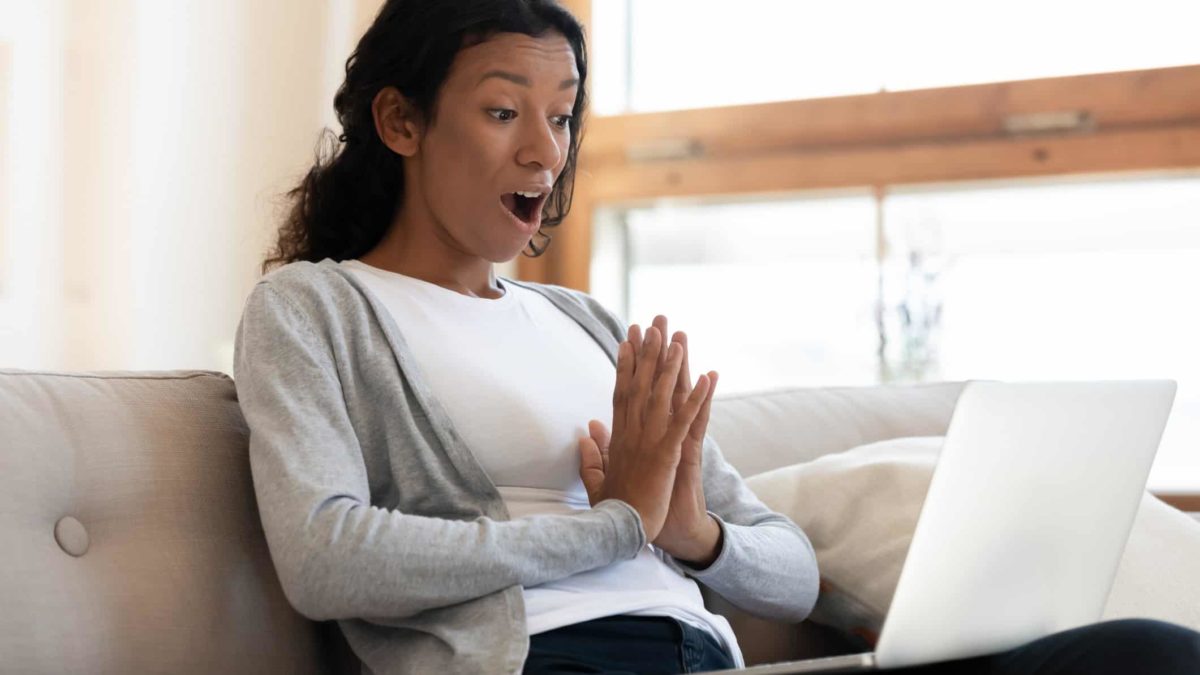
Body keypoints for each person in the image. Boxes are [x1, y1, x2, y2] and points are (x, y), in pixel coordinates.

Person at [232, 1, 1200, 674]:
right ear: (401, 121)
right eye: (502, 112)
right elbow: (327, 560)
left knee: (1150, 654)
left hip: (706, 658)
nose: (545, 151)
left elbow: (790, 571)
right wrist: (615, 528)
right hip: (550, 661)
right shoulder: (316, 311)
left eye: (562, 116)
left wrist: (692, 532)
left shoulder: (584, 324)